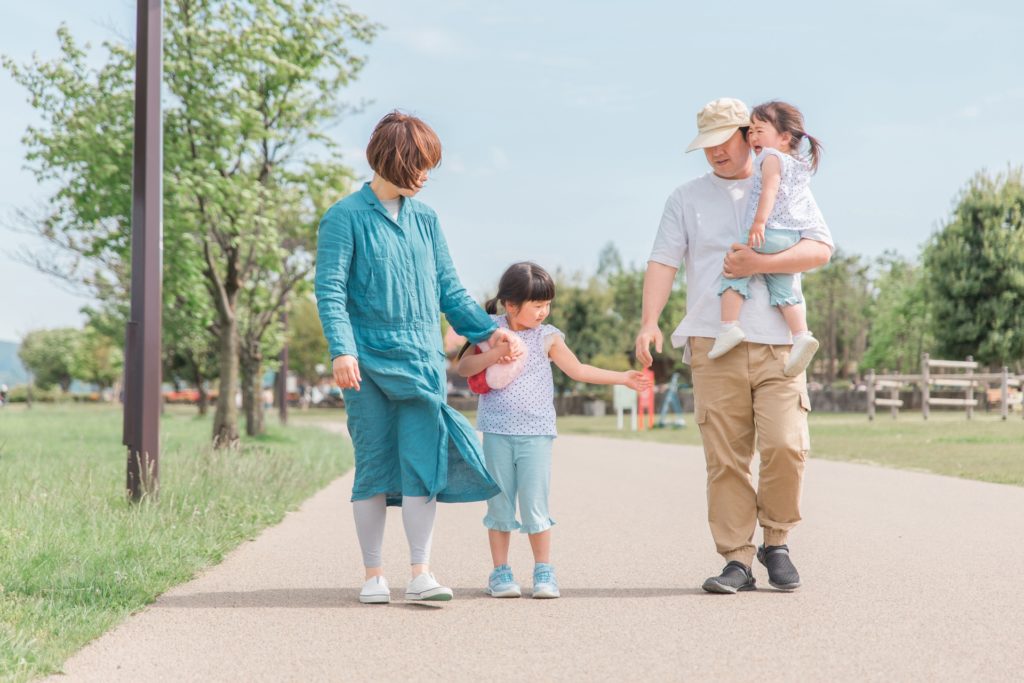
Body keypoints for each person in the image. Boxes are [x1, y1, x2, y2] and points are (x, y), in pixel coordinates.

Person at [315, 111, 522, 605]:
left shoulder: (426, 220)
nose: (427, 174)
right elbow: (330, 291)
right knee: (373, 465)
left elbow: (449, 290)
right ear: (394, 159)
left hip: (421, 360)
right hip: (365, 364)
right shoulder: (344, 217)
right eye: (421, 163)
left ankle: (421, 573)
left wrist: (491, 333)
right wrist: (342, 349)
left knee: (421, 467)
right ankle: (373, 575)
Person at [634, 98, 833, 593]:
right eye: (706, 145)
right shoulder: (685, 197)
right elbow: (663, 261)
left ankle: (777, 540)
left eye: (723, 141)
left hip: (782, 345)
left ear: (749, 134)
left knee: (787, 446)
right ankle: (737, 560)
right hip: (713, 341)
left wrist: (757, 266)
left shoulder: (787, 183)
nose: (715, 153)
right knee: (726, 458)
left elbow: (821, 249)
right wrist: (648, 322)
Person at [456, 262, 650, 599]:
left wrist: (622, 377)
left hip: (536, 434)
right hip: (497, 432)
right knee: (499, 505)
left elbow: (577, 370)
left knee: (535, 505)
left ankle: (544, 571)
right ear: (510, 304)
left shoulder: (548, 336)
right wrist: (498, 351)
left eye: (547, 304)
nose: (543, 312)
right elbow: (464, 367)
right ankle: (500, 573)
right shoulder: (490, 330)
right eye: (537, 306)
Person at [709, 101, 827, 377]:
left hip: (769, 229)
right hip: (790, 237)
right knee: (784, 289)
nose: (753, 137)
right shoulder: (797, 165)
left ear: (784, 137)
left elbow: (769, 191)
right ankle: (800, 336)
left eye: (759, 130)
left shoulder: (770, 159)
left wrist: (759, 222)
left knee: (735, 265)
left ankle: (728, 326)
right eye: (749, 132)